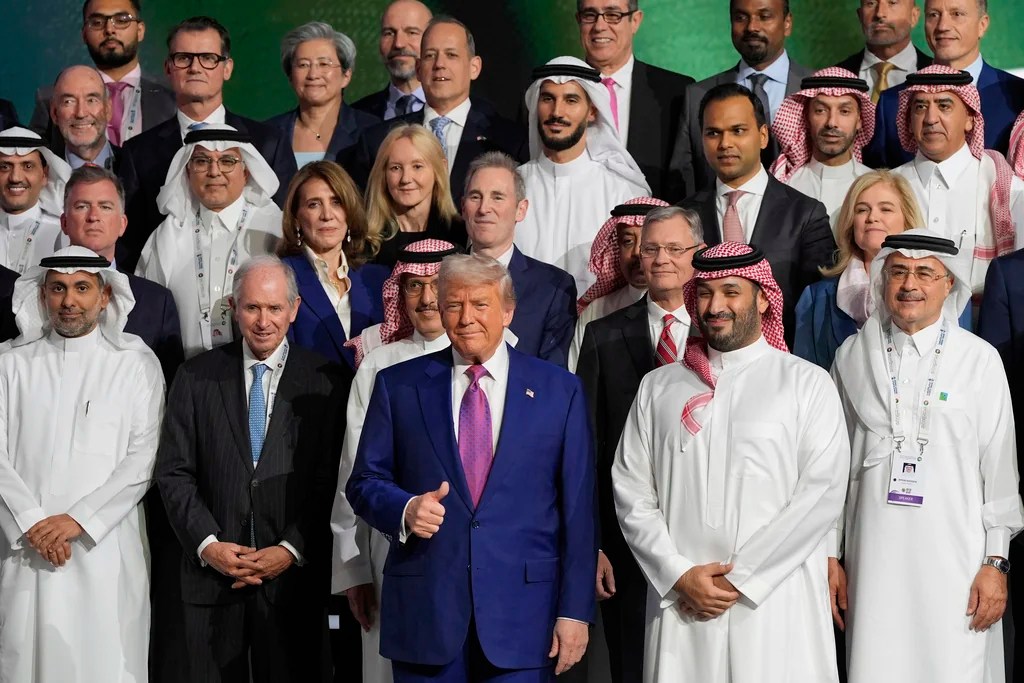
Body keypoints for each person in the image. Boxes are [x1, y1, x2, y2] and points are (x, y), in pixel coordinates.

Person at [347, 252, 596, 682]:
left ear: (508, 311)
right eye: (454, 305)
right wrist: (404, 509)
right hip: (428, 615)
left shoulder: (560, 391)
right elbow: (364, 482)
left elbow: (577, 511)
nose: (466, 318)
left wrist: (575, 612)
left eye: (480, 304)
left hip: (525, 619)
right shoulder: (397, 385)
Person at [613, 241, 849, 682]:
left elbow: (821, 494)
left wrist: (739, 580)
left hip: (774, 601)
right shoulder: (658, 387)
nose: (715, 305)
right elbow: (631, 491)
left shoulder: (806, 384)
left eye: (731, 291)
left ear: (763, 297)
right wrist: (677, 573)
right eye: (704, 293)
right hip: (682, 602)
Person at [832, 230, 1024, 683]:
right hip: (871, 563)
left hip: (958, 565)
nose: (909, 284)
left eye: (924, 273)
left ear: (948, 284)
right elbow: (833, 470)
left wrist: (996, 563)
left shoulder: (979, 361)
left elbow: (999, 470)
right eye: (897, 271)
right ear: (882, 282)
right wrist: (829, 556)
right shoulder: (850, 356)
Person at [156, 255, 348, 682]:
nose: (264, 321)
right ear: (233, 308)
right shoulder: (195, 377)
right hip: (210, 584)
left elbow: (330, 480)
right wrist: (209, 545)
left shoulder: (327, 380)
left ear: (294, 310)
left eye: (275, 308)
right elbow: (174, 473)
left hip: (292, 585)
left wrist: (290, 549)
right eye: (252, 308)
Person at [0, 246, 165, 683]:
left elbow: (143, 458)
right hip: (25, 548)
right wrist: (33, 522)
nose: (68, 301)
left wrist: (78, 520)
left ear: (105, 296)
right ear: (42, 295)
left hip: (104, 547)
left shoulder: (136, 363)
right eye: (57, 289)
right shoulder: (9, 363)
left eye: (81, 288)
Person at [575, 205, 704, 683]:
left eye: (674, 248)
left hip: (701, 537)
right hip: (625, 544)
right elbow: (585, 448)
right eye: (651, 249)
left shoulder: (721, 333)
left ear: (697, 254)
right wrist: (594, 545)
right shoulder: (602, 334)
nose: (661, 259)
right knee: (633, 662)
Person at [332, 238, 459, 683]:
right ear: (398, 294)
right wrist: (352, 570)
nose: (427, 299)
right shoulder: (378, 366)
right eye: (413, 286)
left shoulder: (493, 358)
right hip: (392, 553)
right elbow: (354, 473)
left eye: (437, 284)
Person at [119, 16, 297, 269]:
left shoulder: (267, 143)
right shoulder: (139, 153)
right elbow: (130, 241)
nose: (195, 67)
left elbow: (290, 227)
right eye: (184, 58)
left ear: (227, 68)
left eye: (208, 58)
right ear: (168, 68)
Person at [679, 84, 834, 344]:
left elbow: (820, 305)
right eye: (713, 133)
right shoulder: (683, 216)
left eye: (737, 131)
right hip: (704, 363)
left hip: (783, 363)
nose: (725, 143)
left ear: (763, 136)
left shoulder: (805, 214)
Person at [136, 125, 282, 359]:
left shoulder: (275, 229)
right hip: (185, 377)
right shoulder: (167, 235)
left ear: (246, 173)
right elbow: (148, 315)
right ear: (187, 172)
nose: (214, 171)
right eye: (202, 161)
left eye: (227, 161)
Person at [353, 16, 528, 206]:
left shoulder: (509, 141)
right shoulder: (378, 141)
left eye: (451, 55)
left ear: (474, 67)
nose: (439, 65)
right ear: (418, 69)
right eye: (430, 55)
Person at [514, 56, 651, 294]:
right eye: (548, 99)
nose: (557, 112)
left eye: (571, 100)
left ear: (592, 112)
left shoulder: (623, 192)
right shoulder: (509, 186)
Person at [890, 66, 1024, 304]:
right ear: (908, 121)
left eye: (944, 106)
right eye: (920, 107)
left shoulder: (1005, 188)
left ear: (970, 119)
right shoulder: (887, 188)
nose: (931, 119)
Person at [670, 0, 814, 199]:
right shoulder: (697, 95)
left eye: (764, 16)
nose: (752, 27)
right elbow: (682, 181)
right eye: (740, 17)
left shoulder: (818, 91)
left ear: (787, 22)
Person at [865, 0, 1024, 168]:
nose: (942, 26)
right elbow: (878, 179)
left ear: (982, 25)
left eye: (957, 14)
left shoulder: (1018, 96)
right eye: (934, 15)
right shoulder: (891, 103)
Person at [793, 170, 924, 370]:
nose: (872, 217)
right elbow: (804, 375)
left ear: (907, 219)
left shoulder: (933, 290)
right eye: (862, 210)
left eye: (886, 209)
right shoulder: (816, 298)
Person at [464, 151, 577, 368]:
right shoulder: (438, 277)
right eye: (475, 196)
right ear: (463, 206)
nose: (484, 208)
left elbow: (552, 375)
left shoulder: (553, 287)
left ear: (520, 210)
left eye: (497, 197)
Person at [576, 0, 694, 199]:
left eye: (613, 14)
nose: (599, 26)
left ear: (635, 21)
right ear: (579, 20)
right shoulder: (551, 95)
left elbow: (687, 182)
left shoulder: (677, 93)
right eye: (590, 15)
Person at [277, 160, 389, 370]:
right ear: (296, 218)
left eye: (337, 202)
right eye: (314, 204)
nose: (327, 215)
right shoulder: (281, 278)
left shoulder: (378, 280)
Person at [30, 0, 175, 148]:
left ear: (140, 30)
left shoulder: (174, 97)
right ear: (84, 34)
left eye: (121, 20)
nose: (109, 29)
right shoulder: (50, 99)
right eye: (97, 22)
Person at [569, 197, 669, 371]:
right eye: (628, 242)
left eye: (650, 243)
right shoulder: (597, 311)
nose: (638, 252)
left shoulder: (692, 309)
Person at [265, 21, 381, 169]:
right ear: (290, 76)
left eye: (324, 64)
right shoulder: (269, 134)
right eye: (303, 65)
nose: (313, 75)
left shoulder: (371, 131)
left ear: (346, 76)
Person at [770, 69, 875, 226]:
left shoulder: (875, 185)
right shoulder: (784, 184)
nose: (831, 122)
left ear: (860, 120)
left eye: (844, 111)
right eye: (820, 111)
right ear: (806, 117)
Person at [364, 124, 468, 267]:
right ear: (383, 174)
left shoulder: (460, 234)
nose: (406, 178)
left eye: (417, 166)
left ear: (440, 169)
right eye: (396, 168)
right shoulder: (366, 239)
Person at [0, 127, 72, 273]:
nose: (15, 178)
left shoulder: (64, 234)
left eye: (27, 166)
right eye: (5, 167)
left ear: (44, 175)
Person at [834, 0, 932, 102]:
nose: (880, 13)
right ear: (860, 15)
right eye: (871, 3)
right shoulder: (833, 79)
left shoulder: (940, 76)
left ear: (914, 16)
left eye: (892, 2)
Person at [352, 0, 433, 121]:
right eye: (389, 33)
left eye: (412, 32)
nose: (399, 44)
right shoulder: (356, 116)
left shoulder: (460, 110)